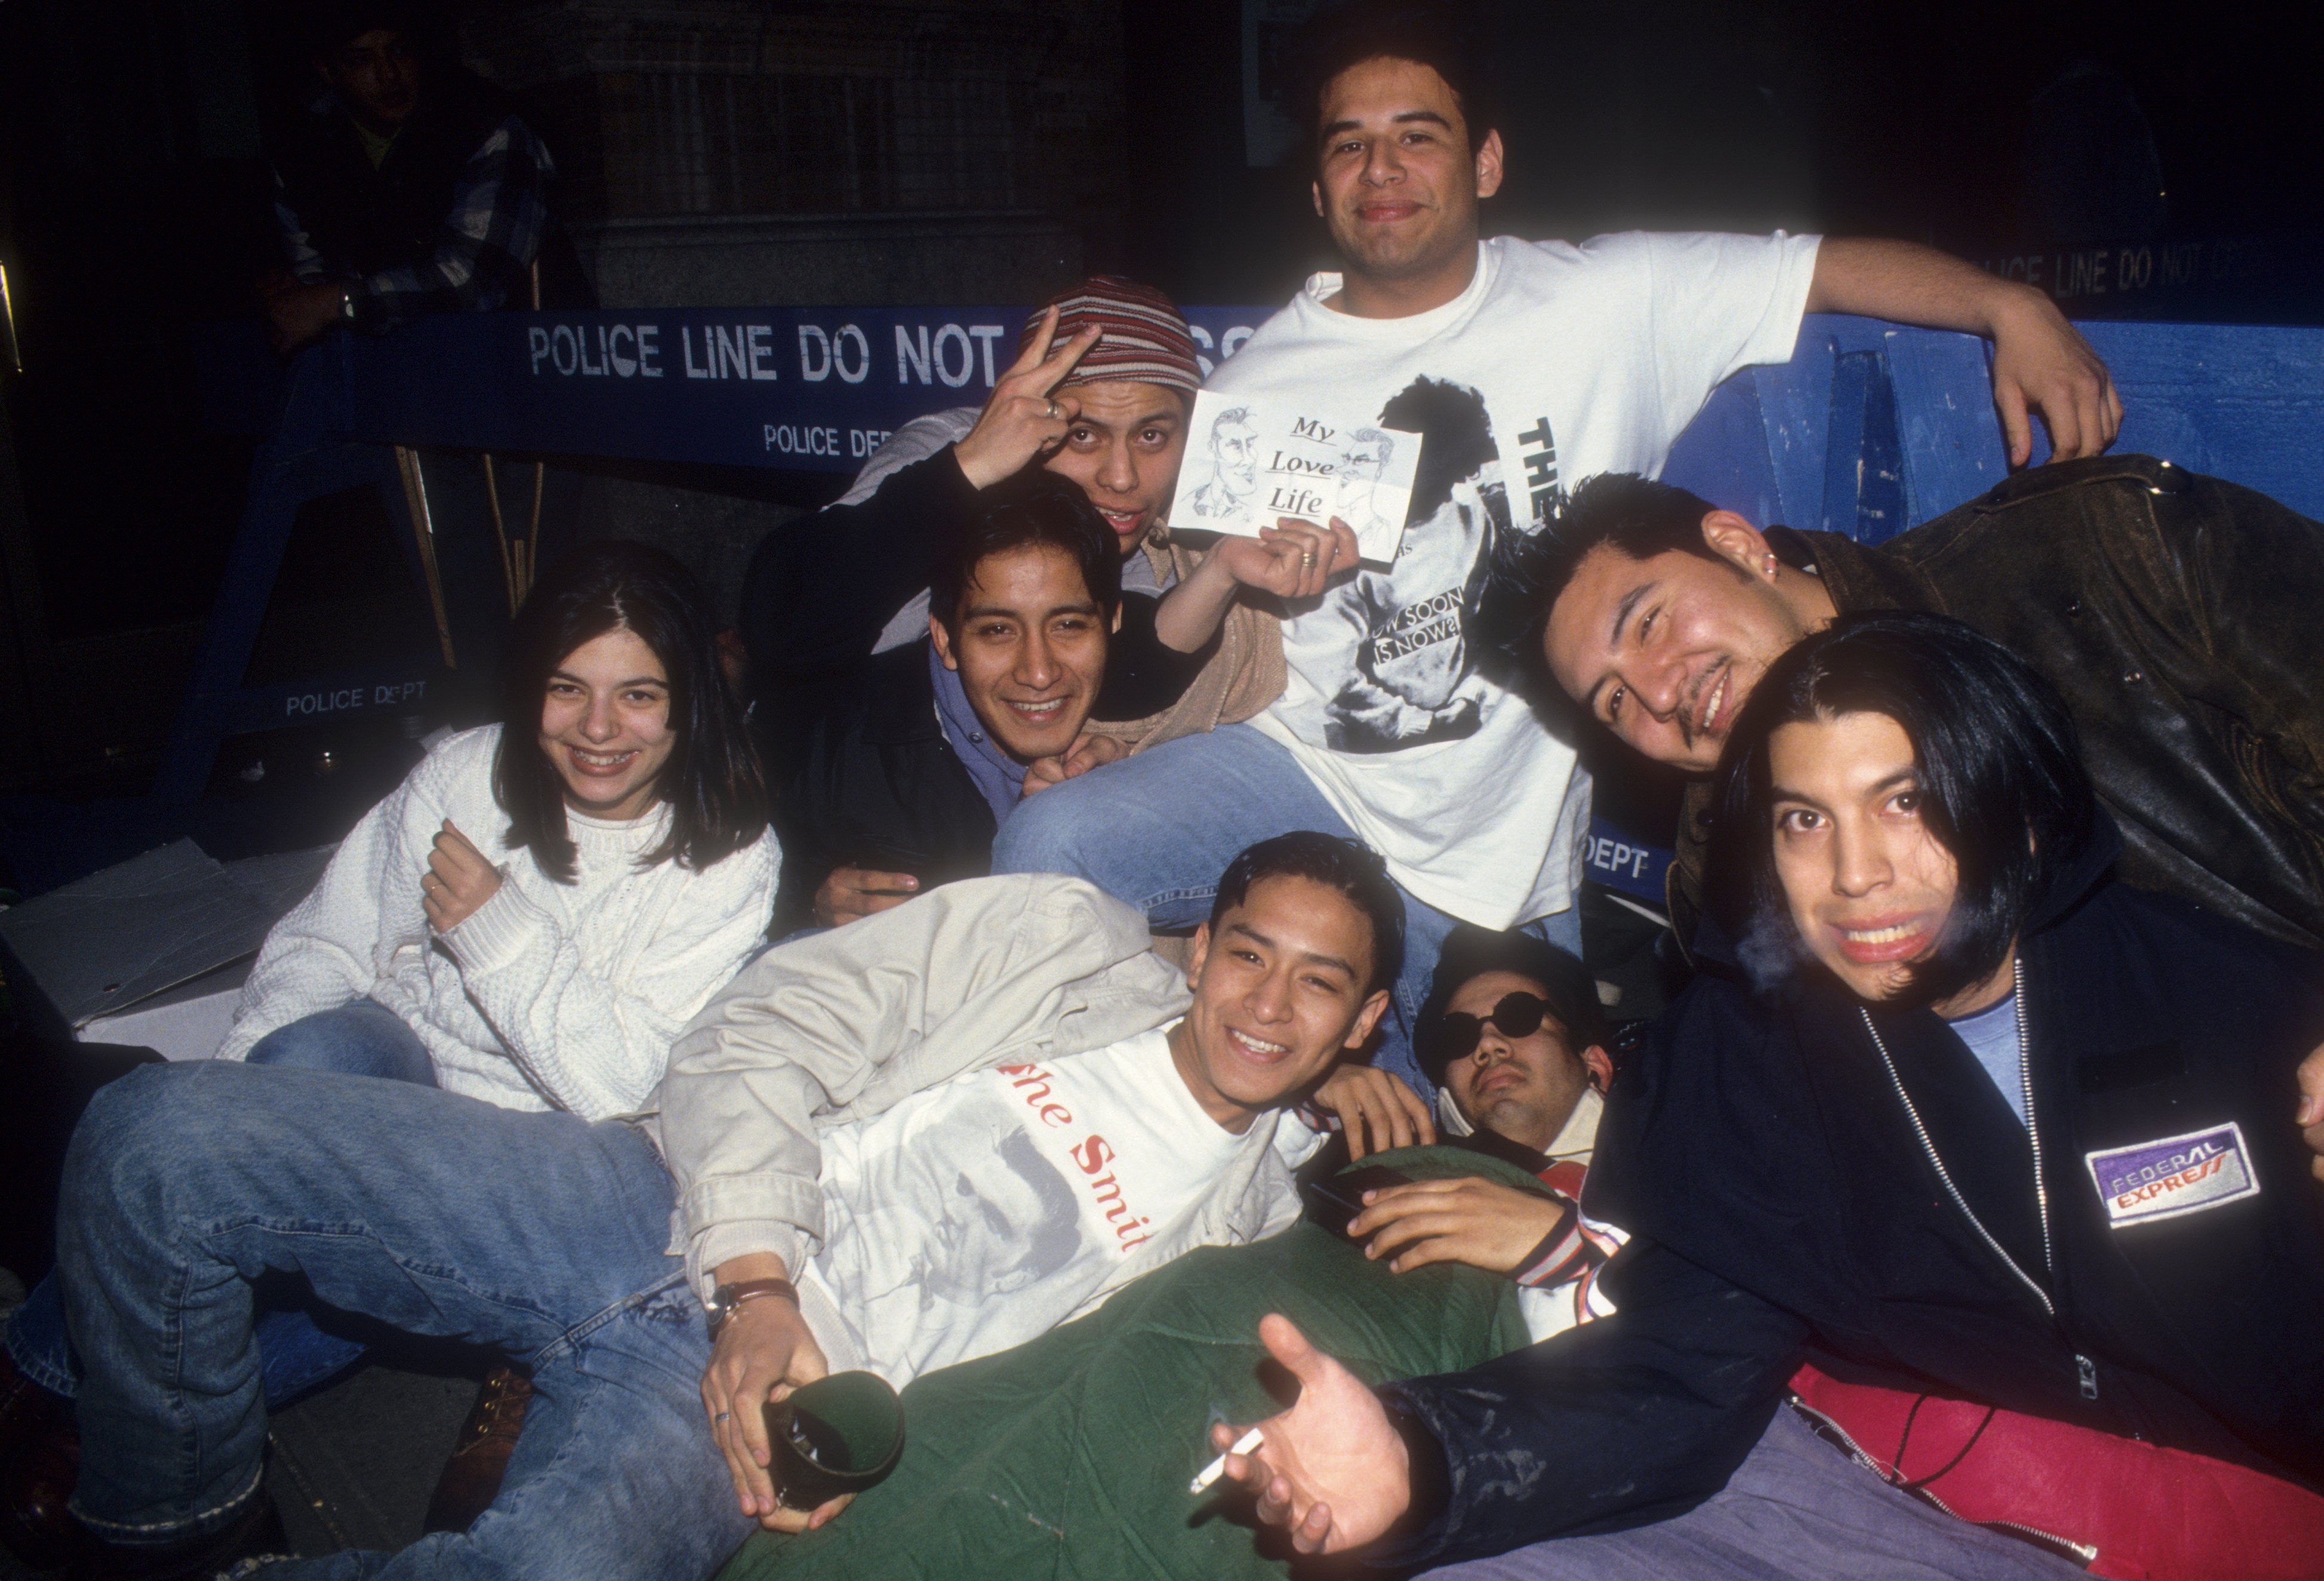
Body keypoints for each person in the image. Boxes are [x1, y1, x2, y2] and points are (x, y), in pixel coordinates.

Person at [991, 0, 2122, 1097]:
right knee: (1051, 840)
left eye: (1415, 138)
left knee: (1456, 1159)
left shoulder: (1606, 298)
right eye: (1350, 147)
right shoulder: (1247, 390)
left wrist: (2001, 303)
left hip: (1506, 866)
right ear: (1317, 183)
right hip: (1300, 776)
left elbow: (1814, 264)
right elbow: (1189, 629)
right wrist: (1118, 727)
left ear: (1484, 161)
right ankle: (1103, 1101)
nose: (1381, 173)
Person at [1208, 613, 2324, 1579]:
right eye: (1803, 819)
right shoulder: (1750, 1062)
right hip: (1972, 1511)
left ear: (2018, 810)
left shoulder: (2231, 995)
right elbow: (1678, 1371)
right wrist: (1419, 1456)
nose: (1853, 873)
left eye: (1905, 800)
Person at [11, 835, 1399, 1578]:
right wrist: (756, 1281)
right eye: (1249, 955)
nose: (1267, 1006)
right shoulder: (1060, 942)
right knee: (160, 1135)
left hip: (755, 1413)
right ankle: (167, 1528)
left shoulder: (1260, 1231)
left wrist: (837, 1444)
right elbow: (764, 1024)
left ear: (1363, 1019)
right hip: (659, 1199)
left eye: (1319, 984)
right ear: (1202, 945)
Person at [0, 539, 778, 1570]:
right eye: (565, 688)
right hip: (392, 1075)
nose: (597, 730)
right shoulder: (466, 769)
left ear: (690, 701)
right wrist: (230, 1114)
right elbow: (323, 943)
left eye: (639, 694)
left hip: (531, 1162)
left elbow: (618, 1091)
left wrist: (500, 937)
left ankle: (75, 1400)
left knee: (317, 1278)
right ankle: (63, 1373)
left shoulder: (728, 855)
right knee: (314, 1048)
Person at [1508, 463, 2324, 951]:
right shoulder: (1722, 870)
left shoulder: (2101, 547)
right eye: (1614, 703)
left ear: (1737, 545)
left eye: (1648, 624)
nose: (1660, 693)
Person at [744, 282, 1329, 928]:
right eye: (1082, 435)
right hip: (835, 793)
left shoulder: (1148, 527)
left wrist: (1219, 571)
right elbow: (782, 624)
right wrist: (969, 465)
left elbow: (1131, 665)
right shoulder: (954, 451)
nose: (1121, 476)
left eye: (1153, 436)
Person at [759, 471, 1201, 931]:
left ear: (1112, 621)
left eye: (1068, 625)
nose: (1038, 672)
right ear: (945, 639)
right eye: (997, 631)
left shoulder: (1166, 716)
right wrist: (813, 905)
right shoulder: (828, 741)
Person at [258, 1, 589, 355]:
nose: (388, 74)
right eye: (361, 59)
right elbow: (310, 280)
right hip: (402, 368)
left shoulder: (484, 125)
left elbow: (474, 284)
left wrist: (337, 303)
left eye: (399, 51)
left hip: (528, 361)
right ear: (326, 69)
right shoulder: (304, 150)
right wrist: (296, 300)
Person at [1337, 927, 1620, 1339]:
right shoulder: (1399, 1170)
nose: (1487, 1044)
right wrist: (1305, 1086)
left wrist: (1565, 1246)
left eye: (1519, 1017)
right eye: (1458, 1036)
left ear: (1595, 1065)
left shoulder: (1682, 1172)